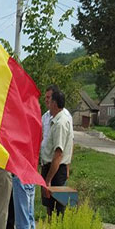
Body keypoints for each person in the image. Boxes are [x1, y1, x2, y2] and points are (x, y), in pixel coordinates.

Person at [41, 89, 74, 218]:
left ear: (55, 103)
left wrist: (48, 180)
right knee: (50, 207)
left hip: (55, 170)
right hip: (51, 168)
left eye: (50, 100)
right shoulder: (54, 119)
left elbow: (58, 154)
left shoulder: (60, 123)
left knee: (56, 209)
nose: (47, 103)